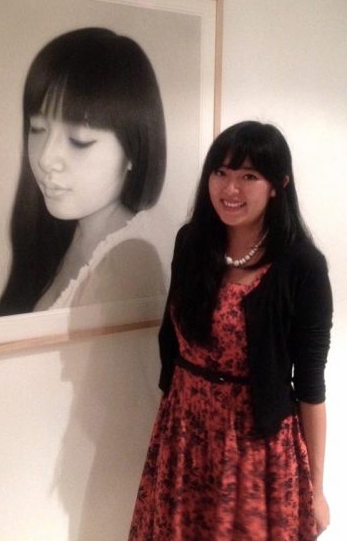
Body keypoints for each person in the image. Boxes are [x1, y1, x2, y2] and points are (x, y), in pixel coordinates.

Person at [129, 121, 333, 540]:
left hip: (255, 445)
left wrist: (316, 489)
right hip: (184, 433)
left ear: (278, 185)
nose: (230, 189)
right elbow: (171, 344)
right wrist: (169, 432)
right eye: (220, 172)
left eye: (249, 176)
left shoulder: (302, 266)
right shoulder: (191, 243)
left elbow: (311, 386)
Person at [0, 28, 167, 316]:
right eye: (37, 129)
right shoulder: (62, 232)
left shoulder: (129, 262)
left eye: (78, 140)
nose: (46, 159)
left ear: (133, 151)